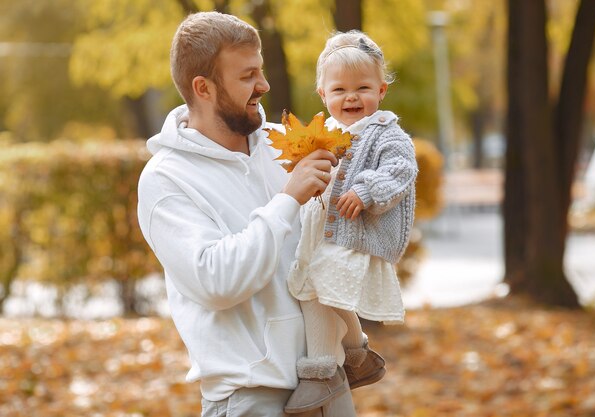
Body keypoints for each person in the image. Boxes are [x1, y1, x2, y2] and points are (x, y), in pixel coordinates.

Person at [136, 12, 357, 417]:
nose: (264, 85)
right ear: (202, 87)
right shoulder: (166, 180)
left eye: (262, 70)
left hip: (327, 382)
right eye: (247, 75)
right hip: (252, 395)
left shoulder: (283, 144)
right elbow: (216, 281)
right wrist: (288, 199)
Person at [282, 30, 418, 413]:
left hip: (359, 234)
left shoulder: (386, 134)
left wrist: (367, 190)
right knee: (308, 288)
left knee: (322, 285)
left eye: (363, 88)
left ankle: (321, 372)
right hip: (322, 234)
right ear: (323, 95)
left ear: (381, 91)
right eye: (340, 90)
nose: (352, 97)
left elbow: (401, 169)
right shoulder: (325, 134)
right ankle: (356, 352)